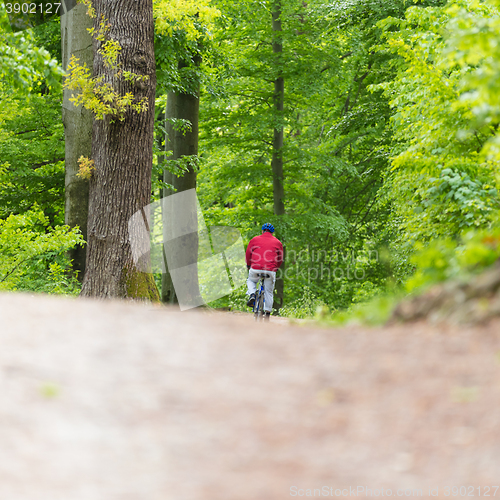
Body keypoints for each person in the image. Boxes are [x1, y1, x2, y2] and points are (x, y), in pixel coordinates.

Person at [245, 223, 283, 320]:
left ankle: (252, 294)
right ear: (272, 233)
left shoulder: (254, 240)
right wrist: (275, 268)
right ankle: (267, 314)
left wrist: (249, 265)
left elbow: (248, 254)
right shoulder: (278, 242)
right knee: (269, 292)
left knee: (251, 281)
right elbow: (280, 259)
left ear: (262, 231)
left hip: (255, 268)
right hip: (270, 270)